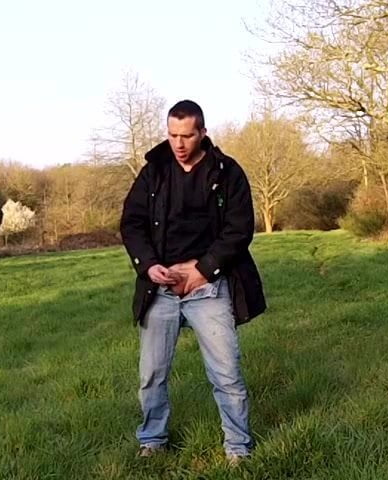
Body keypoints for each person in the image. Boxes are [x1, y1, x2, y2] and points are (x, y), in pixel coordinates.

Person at [119, 99, 267, 465]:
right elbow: (132, 224)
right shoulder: (154, 172)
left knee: (226, 372)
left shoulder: (227, 171)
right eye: (172, 135)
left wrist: (202, 270)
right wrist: (148, 266)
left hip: (209, 288)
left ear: (202, 132)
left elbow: (239, 230)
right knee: (151, 374)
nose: (179, 144)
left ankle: (238, 448)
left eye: (186, 135)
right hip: (161, 288)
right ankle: (152, 440)